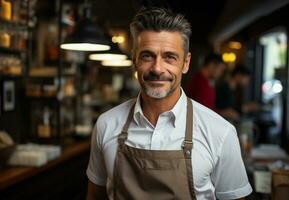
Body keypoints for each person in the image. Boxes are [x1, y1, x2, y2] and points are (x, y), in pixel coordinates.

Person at [86, 7, 252, 200]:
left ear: (186, 63)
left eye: (169, 57)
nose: (157, 68)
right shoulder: (106, 124)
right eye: (147, 56)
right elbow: (95, 196)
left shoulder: (220, 132)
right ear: (134, 60)